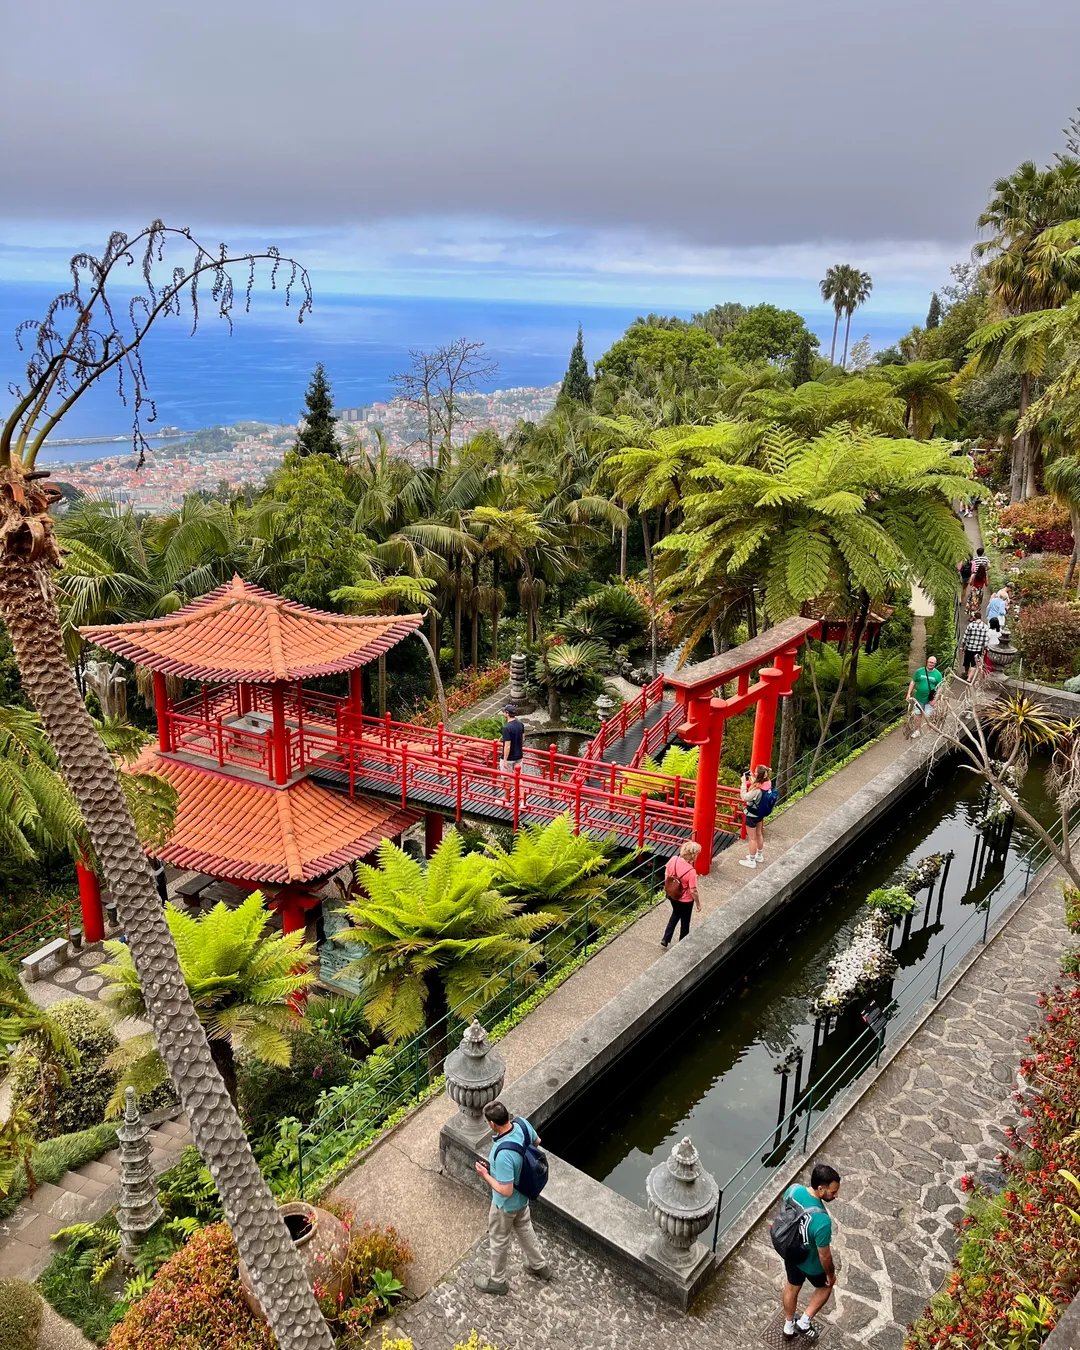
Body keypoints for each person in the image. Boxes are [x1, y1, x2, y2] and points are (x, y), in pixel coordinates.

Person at [474, 1100, 551, 1295]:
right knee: (525, 1227)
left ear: (492, 1124)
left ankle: (497, 1281)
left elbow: (505, 1190)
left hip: (505, 1205)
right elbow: (537, 1142)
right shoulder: (523, 1125)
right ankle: (539, 1265)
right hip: (523, 1198)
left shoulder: (503, 1154)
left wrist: (485, 1175)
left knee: (499, 1239)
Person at [779, 1164, 841, 1342]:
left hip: (791, 1253)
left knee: (792, 1287)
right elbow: (824, 1255)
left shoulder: (793, 1190)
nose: (836, 1196)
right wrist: (830, 1274)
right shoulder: (822, 1220)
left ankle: (788, 1327)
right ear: (821, 1189)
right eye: (833, 1192)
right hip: (811, 1263)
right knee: (825, 1287)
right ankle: (804, 1323)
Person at [661, 840, 702, 948]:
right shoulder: (691, 871)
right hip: (685, 900)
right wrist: (698, 903)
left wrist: (670, 888)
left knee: (676, 914)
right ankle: (683, 942)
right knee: (685, 920)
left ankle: (666, 938)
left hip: (672, 895)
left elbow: (666, 874)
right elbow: (693, 890)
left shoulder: (674, 859)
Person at [739, 764, 773, 870]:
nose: (754, 772)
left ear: (759, 774)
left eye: (755, 772)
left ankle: (752, 861)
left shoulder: (757, 790)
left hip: (752, 815)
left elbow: (745, 797)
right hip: (760, 813)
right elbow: (758, 783)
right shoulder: (768, 783)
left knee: (752, 838)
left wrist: (744, 783)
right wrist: (753, 778)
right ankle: (759, 856)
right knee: (759, 834)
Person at [906, 655, 942, 738]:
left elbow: (940, 688)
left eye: (933, 663)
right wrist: (909, 693)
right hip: (919, 698)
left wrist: (935, 700)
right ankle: (917, 731)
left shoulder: (938, 674)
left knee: (929, 716)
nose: (931, 664)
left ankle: (930, 733)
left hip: (930, 699)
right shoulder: (919, 671)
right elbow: (913, 682)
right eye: (930, 662)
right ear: (927, 661)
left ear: (935, 664)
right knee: (917, 715)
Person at [963, 615, 991, 681]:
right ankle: (970, 677)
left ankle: (966, 673)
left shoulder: (970, 625)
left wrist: (962, 646)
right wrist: (985, 648)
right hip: (978, 649)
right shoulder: (985, 626)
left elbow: (965, 637)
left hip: (969, 647)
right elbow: (986, 639)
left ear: (975, 617)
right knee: (974, 663)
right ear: (981, 618)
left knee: (967, 661)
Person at [500, 706, 525, 774]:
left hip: (509, 758)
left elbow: (507, 746)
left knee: (506, 779)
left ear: (507, 713)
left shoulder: (507, 728)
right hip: (519, 755)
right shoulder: (520, 724)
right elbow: (523, 738)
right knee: (519, 777)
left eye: (504, 712)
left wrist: (505, 760)